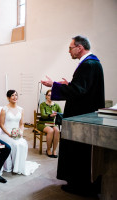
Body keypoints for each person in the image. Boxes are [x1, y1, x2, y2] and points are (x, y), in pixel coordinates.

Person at [41, 35, 105, 196]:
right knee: (80, 151)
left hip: (80, 117)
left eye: (70, 48)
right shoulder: (92, 63)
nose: (69, 51)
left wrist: (53, 85)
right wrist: (69, 84)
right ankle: (80, 182)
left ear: (80, 47)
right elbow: (83, 89)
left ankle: (79, 185)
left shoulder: (88, 64)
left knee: (78, 152)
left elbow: (78, 91)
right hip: (85, 113)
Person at [0, 90, 40, 175]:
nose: (15, 97)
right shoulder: (4, 109)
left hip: (16, 133)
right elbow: (2, 125)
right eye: (12, 95)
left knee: (23, 143)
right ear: (8, 98)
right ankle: (13, 166)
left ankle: (19, 166)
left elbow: (21, 124)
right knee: (16, 144)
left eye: (16, 95)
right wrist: (9, 134)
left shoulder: (21, 109)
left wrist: (21, 132)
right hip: (6, 134)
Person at [38, 89, 62, 158]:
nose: (50, 97)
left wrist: (57, 114)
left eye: (52, 95)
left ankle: (54, 150)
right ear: (46, 96)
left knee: (57, 131)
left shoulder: (56, 105)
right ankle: (48, 149)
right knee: (51, 131)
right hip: (43, 123)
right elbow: (43, 115)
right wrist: (50, 115)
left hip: (52, 123)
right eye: (49, 95)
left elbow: (60, 114)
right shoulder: (43, 105)